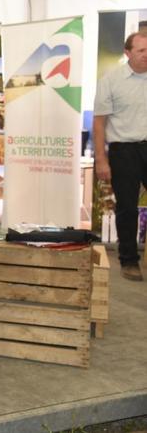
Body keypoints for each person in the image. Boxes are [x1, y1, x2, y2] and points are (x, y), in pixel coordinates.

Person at [93, 31, 147, 282]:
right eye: (141, 51)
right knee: (127, 208)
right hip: (123, 151)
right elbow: (100, 122)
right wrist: (101, 160)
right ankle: (129, 260)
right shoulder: (111, 80)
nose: (146, 56)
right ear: (127, 53)